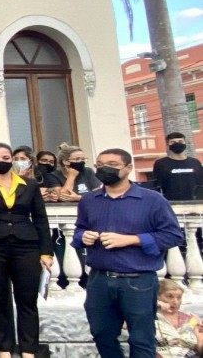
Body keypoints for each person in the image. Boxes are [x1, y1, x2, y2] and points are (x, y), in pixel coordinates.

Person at [74, 148, 184, 358]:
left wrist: (132, 239)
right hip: (99, 279)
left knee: (141, 338)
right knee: (101, 333)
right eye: (99, 164)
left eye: (113, 165)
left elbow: (173, 236)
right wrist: (83, 237)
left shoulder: (152, 200)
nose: (105, 168)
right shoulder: (89, 200)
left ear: (128, 168)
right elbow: (79, 230)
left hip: (138, 280)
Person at [0, 143, 52, 358]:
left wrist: (46, 252)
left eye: (5, 156)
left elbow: (41, 219)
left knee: (27, 301)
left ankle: (28, 351)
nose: (1, 161)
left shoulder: (29, 184)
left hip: (26, 246)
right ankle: (3, 350)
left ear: (12, 159)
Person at [155, 279, 203, 357]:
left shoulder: (191, 319)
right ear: (158, 297)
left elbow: (200, 345)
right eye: (170, 296)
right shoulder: (151, 319)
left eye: (179, 297)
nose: (175, 301)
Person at [153, 132, 203, 201]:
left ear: (185, 143)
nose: (177, 144)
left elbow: (201, 184)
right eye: (172, 142)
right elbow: (156, 186)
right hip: (171, 204)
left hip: (195, 205)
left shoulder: (195, 162)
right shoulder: (161, 164)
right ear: (168, 145)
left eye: (180, 141)